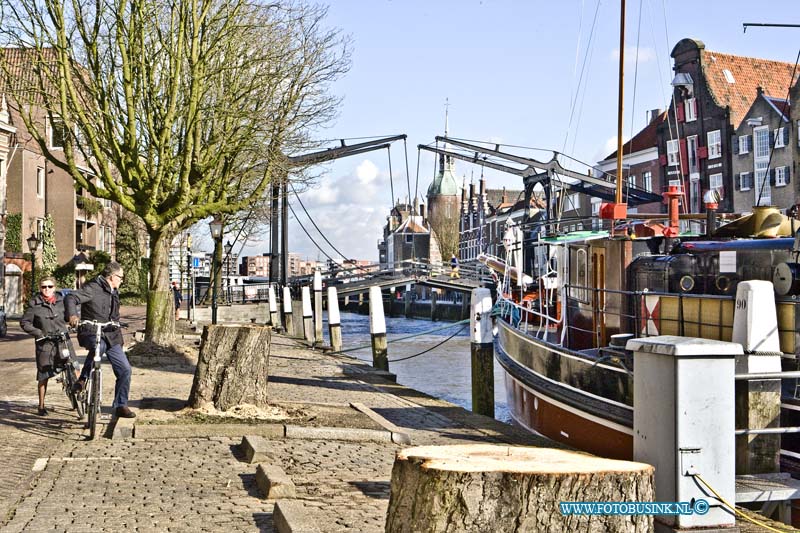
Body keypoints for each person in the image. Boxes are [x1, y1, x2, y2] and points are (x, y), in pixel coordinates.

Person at [65, 262, 135, 418]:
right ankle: (83, 379)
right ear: (112, 277)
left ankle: (120, 405)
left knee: (125, 369)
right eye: (121, 278)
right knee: (99, 346)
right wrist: (72, 315)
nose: (121, 281)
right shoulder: (92, 288)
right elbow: (71, 297)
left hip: (112, 335)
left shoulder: (114, 291)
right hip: (92, 332)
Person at [20, 276, 76, 416]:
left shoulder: (62, 302)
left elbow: (70, 316)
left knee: (74, 366)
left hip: (63, 340)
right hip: (45, 343)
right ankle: (41, 405)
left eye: (50, 286)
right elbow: (25, 323)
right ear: (40, 288)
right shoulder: (34, 304)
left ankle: (79, 397)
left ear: (54, 287)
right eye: (44, 287)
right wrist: (38, 333)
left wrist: (73, 320)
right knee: (43, 375)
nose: (47, 289)